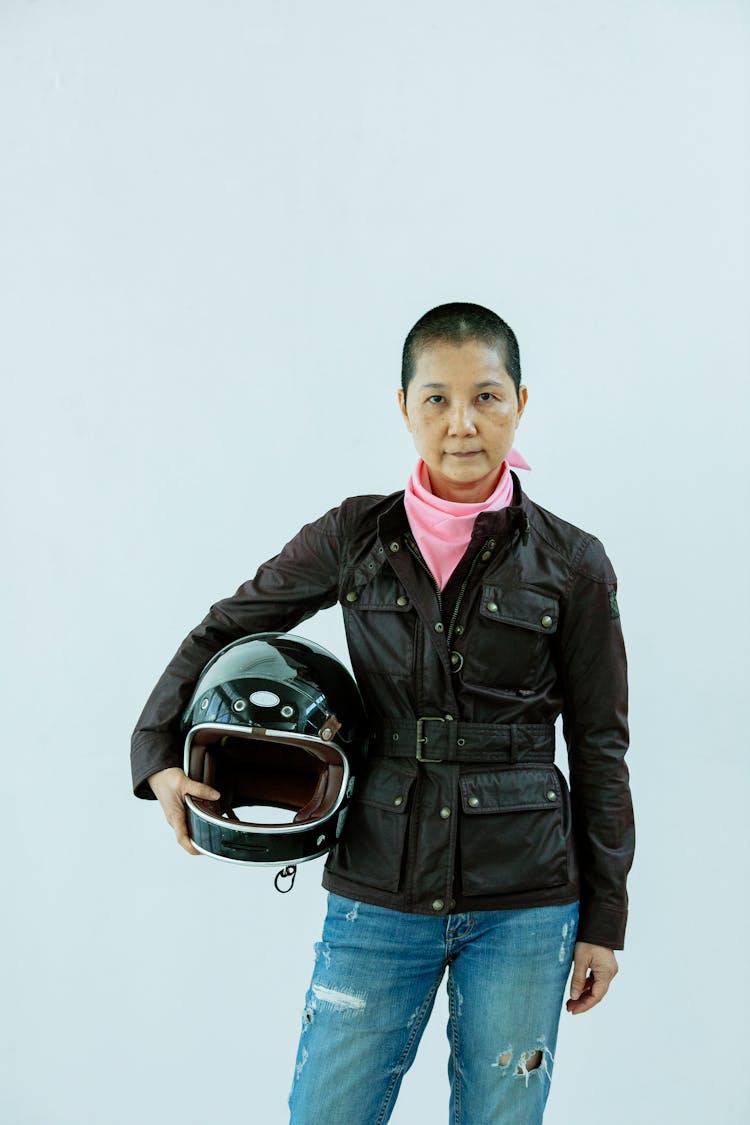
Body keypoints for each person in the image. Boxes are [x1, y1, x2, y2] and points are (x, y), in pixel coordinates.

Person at [131, 302, 634, 1124]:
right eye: (436, 398)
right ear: (403, 408)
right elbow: (227, 625)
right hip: (377, 891)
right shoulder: (352, 535)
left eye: (486, 396)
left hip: (529, 900)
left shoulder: (574, 563)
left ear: (521, 403)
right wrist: (156, 750)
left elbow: (601, 748)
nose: (462, 423)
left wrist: (604, 919)